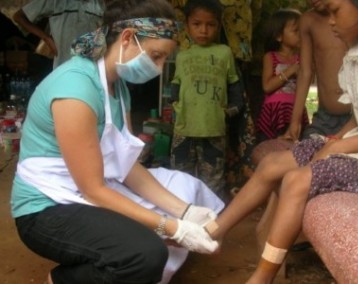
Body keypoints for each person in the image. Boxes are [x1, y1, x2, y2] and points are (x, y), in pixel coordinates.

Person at [10, 1, 225, 283]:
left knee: (182, 195)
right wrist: (173, 228)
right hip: (45, 208)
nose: (159, 69)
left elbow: (125, 165)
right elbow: (94, 190)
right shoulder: (76, 89)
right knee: (144, 255)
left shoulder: (117, 86)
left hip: (83, 189)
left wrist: (185, 212)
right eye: (156, 56)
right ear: (126, 38)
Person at [207, 0, 358, 283]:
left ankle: (263, 275)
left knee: (296, 181)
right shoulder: (357, 52)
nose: (331, 22)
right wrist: (333, 140)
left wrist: (338, 147)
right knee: (274, 163)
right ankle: (215, 231)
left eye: (336, 12)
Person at [169, 0, 243, 198]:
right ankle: (180, 216)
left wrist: (234, 108)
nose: (203, 30)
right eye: (197, 24)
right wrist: (174, 104)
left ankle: (211, 219)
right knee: (179, 177)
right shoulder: (182, 56)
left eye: (210, 25)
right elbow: (176, 83)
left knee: (213, 180)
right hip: (184, 128)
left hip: (213, 127)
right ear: (187, 26)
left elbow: (234, 82)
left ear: (218, 26)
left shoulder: (224, 53)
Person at [282, 0, 351, 141]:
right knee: (308, 150)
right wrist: (295, 121)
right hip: (325, 118)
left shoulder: (355, 17)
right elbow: (305, 72)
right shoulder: (308, 21)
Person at [256, 9, 309, 142]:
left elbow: (308, 81)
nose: (300, 35)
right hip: (275, 112)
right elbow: (267, 87)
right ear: (279, 36)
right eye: (296, 31)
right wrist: (290, 70)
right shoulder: (271, 57)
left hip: (295, 111)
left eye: (302, 31)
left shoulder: (302, 57)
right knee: (271, 148)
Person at [13, 0, 105, 68]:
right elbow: (19, 17)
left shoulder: (99, 4)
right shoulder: (56, 2)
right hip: (63, 68)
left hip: (92, 70)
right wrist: (46, 38)